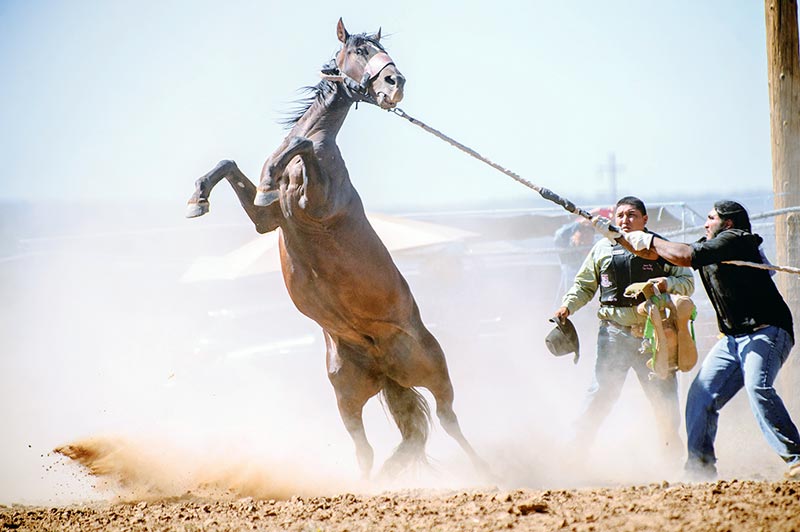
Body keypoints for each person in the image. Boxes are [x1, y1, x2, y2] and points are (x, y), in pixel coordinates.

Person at [614, 200, 800, 479]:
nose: (705, 222)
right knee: (700, 395)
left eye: (711, 218)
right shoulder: (711, 244)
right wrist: (621, 238)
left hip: (767, 330)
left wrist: (647, 238)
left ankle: (795, 457)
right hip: (733, 338)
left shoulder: (737, 239)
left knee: (757, 386)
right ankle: (699, 469)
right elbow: (663, 256)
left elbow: (686, 255)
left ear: (727, 223)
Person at [555, 196, 695, 456]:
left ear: (644, 219)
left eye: (631, 215)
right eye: (620, 216)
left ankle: (671, 453)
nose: (625, 220)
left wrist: (664, 284)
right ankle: (573, 452)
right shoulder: (602, 249)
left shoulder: (661, 247)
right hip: (613, 334)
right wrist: (568, 306)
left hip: (654, 335)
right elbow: (585, 285)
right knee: (600, 392)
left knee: (662, 396)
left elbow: (687, 283)